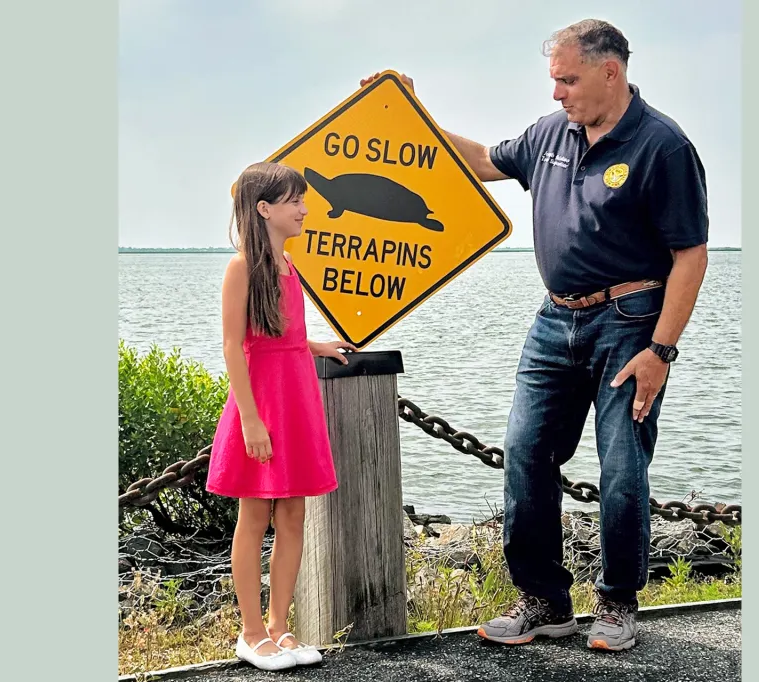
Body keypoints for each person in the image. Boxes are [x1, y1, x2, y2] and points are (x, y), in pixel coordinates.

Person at [361, 18, 709, 652]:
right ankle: (544, 602)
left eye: (567, 80)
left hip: (631, 324)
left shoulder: (664, 145)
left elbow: (691, 255)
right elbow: (480, 161)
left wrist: (660, 351)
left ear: (611, 72)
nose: (557, 94)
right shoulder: (551, 134)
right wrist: (411, 113)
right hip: (554, 320)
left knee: (623, 468)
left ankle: (617, 605)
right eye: (553, 80)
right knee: (524, 452)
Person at [205, 161, 357, 671]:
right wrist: (250, 421)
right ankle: (250, 633)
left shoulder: (289, 267)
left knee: (294, 515)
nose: (305, 209)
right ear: (265, 208)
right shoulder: (242, 267)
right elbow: (233, 348)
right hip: (262, 404)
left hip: (296, 398)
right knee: (255, 517)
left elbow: (280, 336)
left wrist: (314, 346)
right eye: (295, 201)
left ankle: (278, 627)